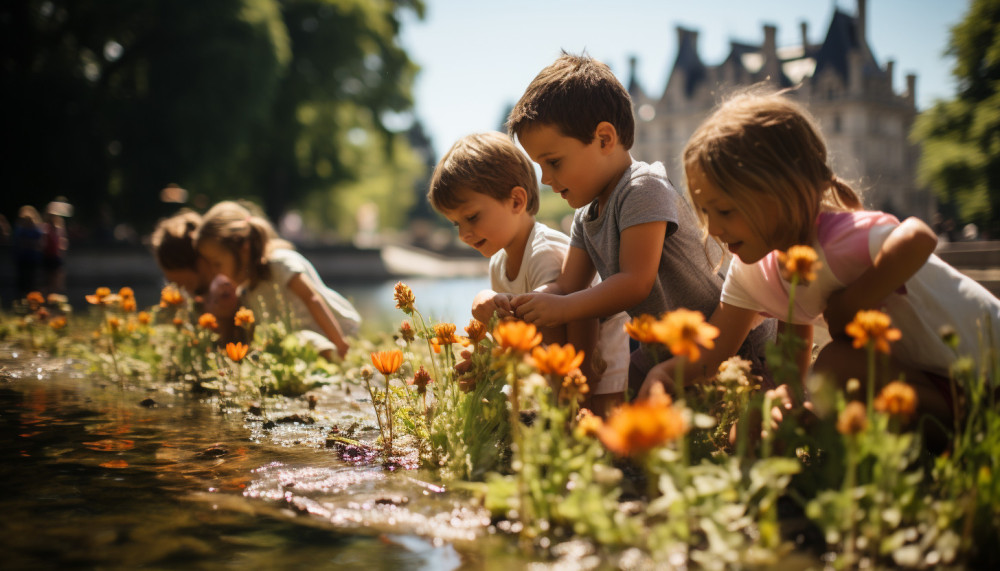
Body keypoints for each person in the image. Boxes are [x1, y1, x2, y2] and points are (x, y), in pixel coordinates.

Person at [640, 89, 1000, 430]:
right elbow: (716, 352)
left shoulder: (839, 237)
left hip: (987, 365)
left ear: (781, 192)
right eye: (704, 212)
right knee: (816, 381)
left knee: (832, 367)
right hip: (939, 387)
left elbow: (918, 236)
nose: (713, 228)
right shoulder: (755, 269)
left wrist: (851, 303)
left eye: (725, 211)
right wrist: (663, 375)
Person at [507, 53, 775, 394]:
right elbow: (567, 287)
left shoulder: (642, 186)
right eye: (540, 166)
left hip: (731, 344)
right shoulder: (585, 216)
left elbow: (636, 282)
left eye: (554, 162)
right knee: (638, 394)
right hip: (664, 349)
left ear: (604, 139)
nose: (545, 178)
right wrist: (528, 302)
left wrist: (562, 308)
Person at [428, 131, 630, 415]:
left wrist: (578, 385)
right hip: (557, 374)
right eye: (455, 224)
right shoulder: (499, 261)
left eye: (472, 217)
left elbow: (573, 316)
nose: (464, 234)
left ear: (516, 201)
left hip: (600, 366)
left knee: (604, 439)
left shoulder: (542, 250)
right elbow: (515, 333)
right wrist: (484, 360)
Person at [194, 201, 361, 360]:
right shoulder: (249, 288)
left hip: (337, 334)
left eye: (217, 263)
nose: (216, 273)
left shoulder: (280, 263)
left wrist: (339, 343)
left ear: (243, 247)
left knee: (303, 339)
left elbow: (312, 299)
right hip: (306, 345)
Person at [151, 210, 239, 341]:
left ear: (201, 262)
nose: (181, 289)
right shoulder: (196, 302)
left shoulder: (231, 290)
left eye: (186, 284)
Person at [12, 205, 44, 298]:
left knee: (33, 281)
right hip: (22, 259)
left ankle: (32, 300)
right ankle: (21, 300)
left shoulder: (37, 230)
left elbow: (39, 244)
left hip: (33, 259)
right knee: (22, 281)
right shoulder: (20, 229)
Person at [41, 207, 68, 296]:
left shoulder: (58, 228)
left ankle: (55, 298)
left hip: (56, 257)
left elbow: (63, 242)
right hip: (48, 257)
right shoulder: (45, 228)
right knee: (48, 280)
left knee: (57, 281)